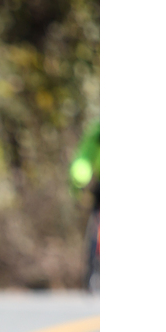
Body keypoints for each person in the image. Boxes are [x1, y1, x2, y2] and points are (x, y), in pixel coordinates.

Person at [69, 120, 99, 293]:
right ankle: (93, 272)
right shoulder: (98, 133)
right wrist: (80, 180)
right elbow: (84, 159)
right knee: (96, 224)